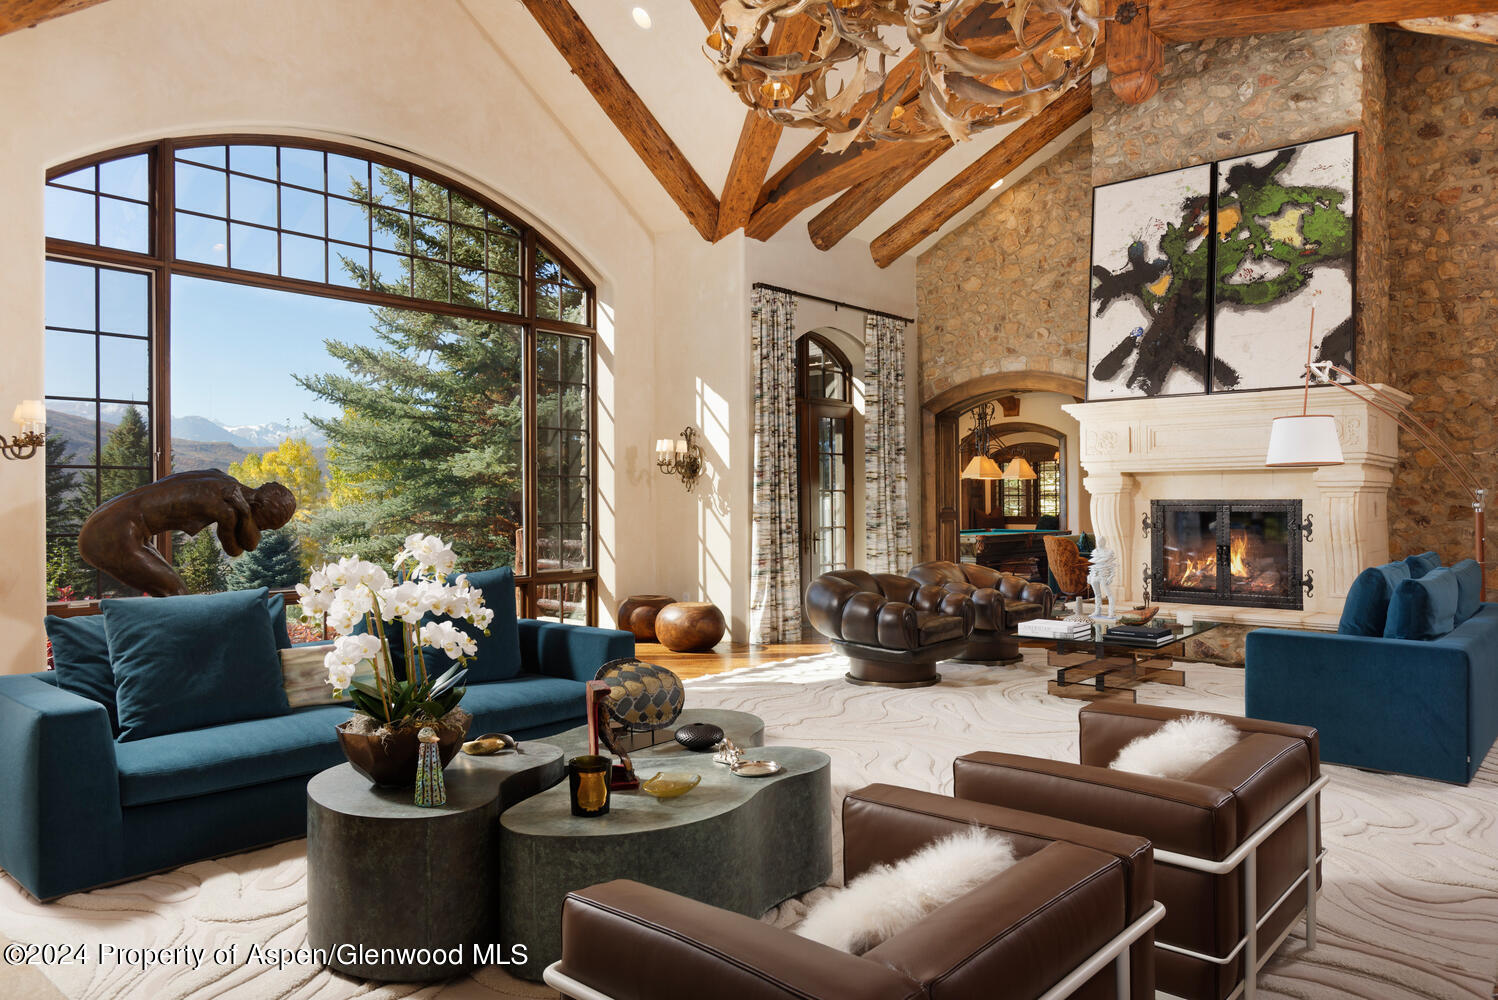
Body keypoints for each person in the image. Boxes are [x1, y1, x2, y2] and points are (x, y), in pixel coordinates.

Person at [77, 470, 296, 597]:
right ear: (257, 507)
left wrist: (247, 513)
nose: (259, 530)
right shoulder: (227, 509)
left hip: (112, 519)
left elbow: (250, 541)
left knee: (175, 592)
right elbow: (238, 548)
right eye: (262, 526)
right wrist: (246, 515)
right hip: (112, 531)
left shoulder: (225, 481)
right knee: (177, 594)